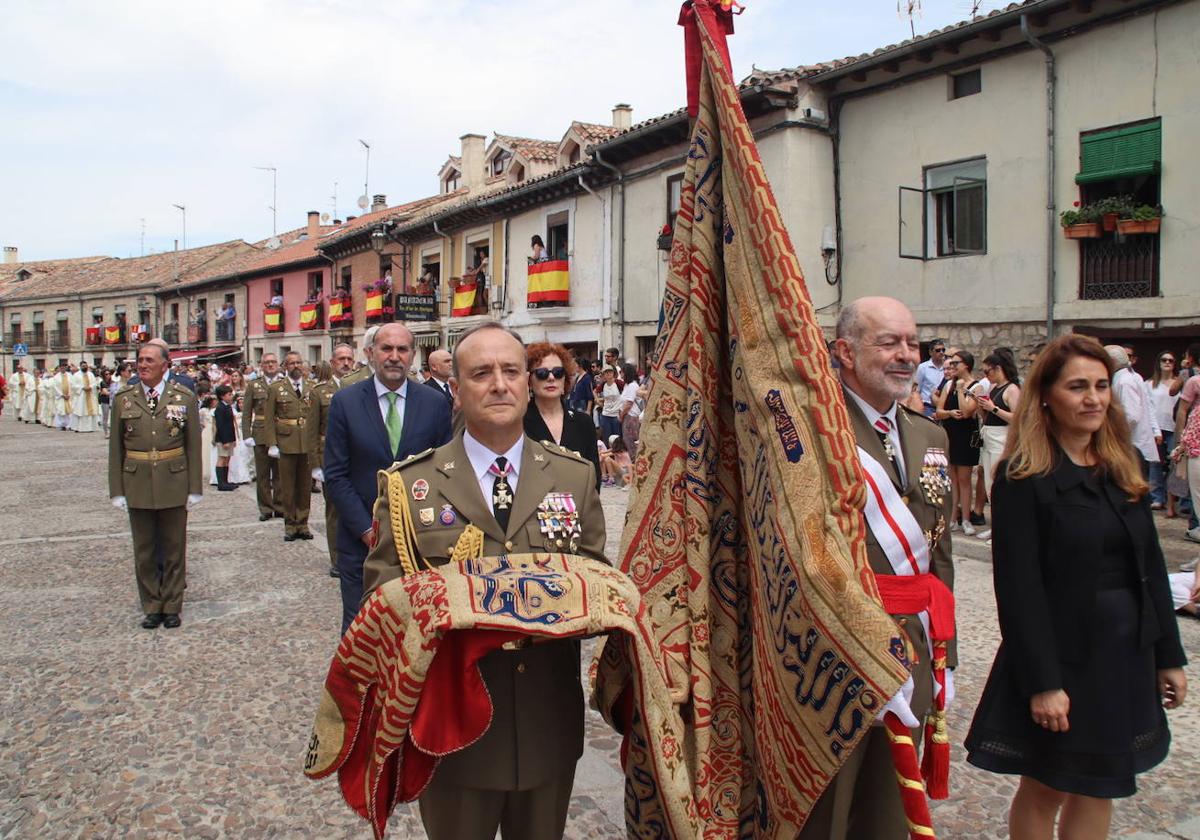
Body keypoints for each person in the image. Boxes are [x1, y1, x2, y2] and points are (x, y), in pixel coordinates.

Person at [361, 321, 606, 840]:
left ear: (526, 381)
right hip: (454, 730)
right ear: (456, 388)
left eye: (512, 371)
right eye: (481, 372)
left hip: (546, 723)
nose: (499, 383)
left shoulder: (572, 475)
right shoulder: (411, 485)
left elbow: (594, 580)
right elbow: (381, 601)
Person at [965, 334, 1187, 838]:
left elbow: (1149, 567)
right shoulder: (1024, 478)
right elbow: (1019, 592)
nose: (1093, 398)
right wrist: (1044, 683)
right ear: (1046, 395)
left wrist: (1168, 655)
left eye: (1102, 386)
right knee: (1047, 787)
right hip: (1063, 657)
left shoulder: (1120, 467)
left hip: (1124, 654)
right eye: (1078, 387)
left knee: (1103, 783)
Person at [801, 297, 955, 840]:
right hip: (834, 655)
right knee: (829, 811)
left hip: (913, 647)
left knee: (887, 811)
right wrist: (856, 646)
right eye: (888, 342)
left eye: (911, 343)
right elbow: (800, 556)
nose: (905, 355)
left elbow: (940, 556)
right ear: (845, 352)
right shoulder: (813, 430)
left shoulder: (929, 435)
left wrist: (946, 658)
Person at [323, 323, 452, 633]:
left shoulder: (434, 404)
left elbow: (446, 469)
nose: (394, 357)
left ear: (412, 357)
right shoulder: (346, 403)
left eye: (402, 349)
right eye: (386, 349)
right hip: (361, 544)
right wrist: (368, 530)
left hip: (420, 542)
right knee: (361, 630)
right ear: (370, 354)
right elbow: (336, 475)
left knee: (417, 632)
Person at [108, 342, 203, 629]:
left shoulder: (183, 398)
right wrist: (117, 490)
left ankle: (172, 604)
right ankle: (151, 605)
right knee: (145, 550)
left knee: (174, 547)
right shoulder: (124, 398)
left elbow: (193, 445)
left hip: (173, 479)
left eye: (149, 360)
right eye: (140, 360)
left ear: (165, 365)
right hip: (136, 481)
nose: (143, 364)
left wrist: (194, 487)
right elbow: (116, 448)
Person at [523, 342, 601, 491]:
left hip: (578, 508)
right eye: (542, 373)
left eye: (558, 372)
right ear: (529, 380)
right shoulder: (518, 424)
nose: (551, 377)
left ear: (565, 378)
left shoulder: (583, 422)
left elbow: (594, 478)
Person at [310, 344, 356, 578]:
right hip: (331, 456)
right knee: (335, 512)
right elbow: (312, 430)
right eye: (341, 359)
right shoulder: (320, 391)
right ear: (332, 361)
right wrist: (316, 464)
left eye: (349, 358)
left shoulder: (361, 387)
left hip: (357, 456)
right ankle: (337, 559)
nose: (346, 363)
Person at [261, 351, 317, 542]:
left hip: (306, 444)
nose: (296, 366)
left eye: (299, 362)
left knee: (305, 486)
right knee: (287, 487)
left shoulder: (311, 387)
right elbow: (268, 418)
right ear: (285, 367)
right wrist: (272, 443)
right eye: (292, 363)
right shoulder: (277, 388)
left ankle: (303, 523)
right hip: (286, 443)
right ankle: (290, 524)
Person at [973, 349, 1021, 540]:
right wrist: (982, 407)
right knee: (989, 485)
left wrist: (993, 408)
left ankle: (1004, 528)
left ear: (998, 368)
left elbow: (1017, 417)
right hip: (989, 437)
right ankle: (997, 526)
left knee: (998, 485)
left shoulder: (1012, 389)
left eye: (987, 371)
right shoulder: (994, 389)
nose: (986, 376)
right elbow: (989, 416)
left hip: (1002, 439)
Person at [934, 350, 980, 536]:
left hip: (966, 435)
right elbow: (939, 411)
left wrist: (961, 389)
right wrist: (950, 413)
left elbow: (967, 411)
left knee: (965, 479)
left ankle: (966, 518)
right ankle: (953, 517)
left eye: (955, 363)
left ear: (966, 365)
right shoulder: (948, 385)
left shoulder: (976, 387)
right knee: (952, 478)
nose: (952, 367)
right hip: (951, 432)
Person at [242, 353, 284, 521]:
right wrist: (246, 434)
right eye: (267, 363)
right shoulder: (254, 385)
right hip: (260, 432)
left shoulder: (283, 384)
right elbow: (246, 412)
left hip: (280, 432)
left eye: (273, 362)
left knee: (280, 473)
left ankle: (280, 505)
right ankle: (266, 508)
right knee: (263, 474)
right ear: (261, 365)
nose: (270, 365)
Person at [1107, 345, 1160, 478]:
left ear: (1111, 362)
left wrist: (1111, 435)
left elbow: (1131, 416)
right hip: (1132, 447)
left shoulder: (1125, 381)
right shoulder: (1125, 378)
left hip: (1133, 447)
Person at [1148, 350, 1180, 511]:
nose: (1167, 362)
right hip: (1156, 427)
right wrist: (1154, 430)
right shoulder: (1149, 384)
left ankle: (1174, 500)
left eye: (1171, 360)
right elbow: (1148, 408)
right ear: (1158, 363)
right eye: (1164, 360)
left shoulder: (1179, 384)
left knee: (1176, 464)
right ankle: (1156, 498)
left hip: (1174, 428)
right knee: (1155, 464)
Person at [212, 384, 238, 491]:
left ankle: (226, 481)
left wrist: (233, 439)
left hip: (229, 436)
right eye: (229, 394)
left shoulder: (227, 406)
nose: (231, 396)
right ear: (222, 396)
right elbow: (221, 426)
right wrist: (225, 441)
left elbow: (230, 424)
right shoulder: (220, 408)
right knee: (222, 458)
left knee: (227, 459)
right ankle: (221, 483)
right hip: (223, 438)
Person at [618, 361, 643, 462]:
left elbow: (629, 404)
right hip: (626, 416)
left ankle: (635, 464)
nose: (621, 375)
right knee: (627, 441)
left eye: (622, 372)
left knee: (631, 442)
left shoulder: (633, 385)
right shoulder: (626, 385)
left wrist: (621, 415)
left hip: (631, 417)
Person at [916, 339, 947, 417]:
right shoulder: (923, 367)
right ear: (930, 352)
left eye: (943, 350)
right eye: (938, 350)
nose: (941, 352)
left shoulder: (947, 367)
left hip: (944, 407)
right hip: (927, 407)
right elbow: (917, 389)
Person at [72, 361, 102, 433]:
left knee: (91, 411)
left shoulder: (91, 374)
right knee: (82, 411)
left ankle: (91, 427)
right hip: (81, 396)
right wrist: (82, 387)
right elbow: (73, 386)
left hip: (90, 394)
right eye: (83, 366)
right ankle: (81, 428)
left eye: (85, 366)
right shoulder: (76, 375)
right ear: (80, 366)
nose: (84, 367)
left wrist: (90, 387)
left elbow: (94, 383)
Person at [597, 365, 622, 441]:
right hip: (605, 414)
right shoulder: (603, 385)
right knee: (606, 437)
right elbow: (595, 391)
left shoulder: (618, 383)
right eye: (606, 372)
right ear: (603, 375)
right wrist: (598, 400)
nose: (608, 374)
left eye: (610, 372)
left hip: (616, 415)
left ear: (613, 373)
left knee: (616, 438)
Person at [52, 364, 74, 430]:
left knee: (69, 411)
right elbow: (55, 387)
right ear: (59, 368)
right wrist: (62, 395)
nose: (63, 369)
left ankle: (69, 425)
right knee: (61, 411)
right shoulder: (56, 377)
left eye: (64, 367)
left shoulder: (70, 376)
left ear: (66, 368)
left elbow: (72, 385)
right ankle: (61, 425)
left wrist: (69, 394)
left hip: (69, 396)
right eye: (61, 368)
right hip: (61, 397)